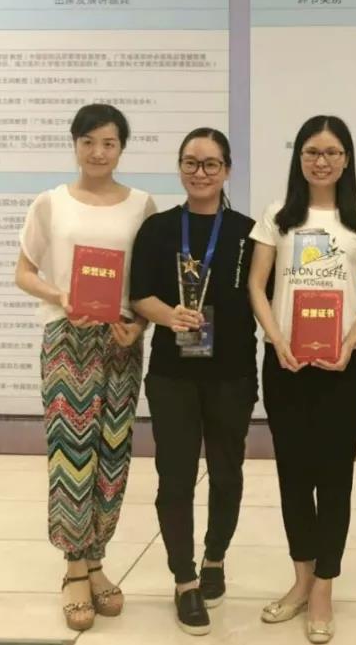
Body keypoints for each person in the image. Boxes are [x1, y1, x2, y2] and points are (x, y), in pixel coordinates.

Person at [15, 103, 155, 631]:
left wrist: (140, 325)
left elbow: (148, 284)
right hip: (66, 338)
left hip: (120, 340)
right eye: (88, 141)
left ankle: (97, 559)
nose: (98, 152)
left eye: (109, 143)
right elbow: (24, 272)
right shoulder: (51, 203)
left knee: (113, 453)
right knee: (71, 454)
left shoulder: (142, 206)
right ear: (74, 144)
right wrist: (60, 294)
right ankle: (74, 568)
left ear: (122, 148)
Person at [248, 115, 356, 644]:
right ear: (299, 158)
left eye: (331, 152)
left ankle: (325, 585)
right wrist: (276, 339)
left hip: (339, 368)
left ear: (346, 160)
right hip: (285, 364)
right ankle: (301, 579)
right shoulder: (277, 216)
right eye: (311, 152)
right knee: (292, 474)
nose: (321, 161)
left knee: (334, 478)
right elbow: (257, 285)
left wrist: (350, 342)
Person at [129, 128, 258, 636]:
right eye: (190, 162)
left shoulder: (249, 233)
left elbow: (267, 298)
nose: (199, 173)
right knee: (176, 477)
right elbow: (139, 293)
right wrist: (169, 314)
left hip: (232, 374)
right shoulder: (159, 228)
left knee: (227, 473)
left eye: (210, 164)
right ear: (180, 167)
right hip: (173, 375)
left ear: (227, 170)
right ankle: (184, 579)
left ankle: (215, 559)